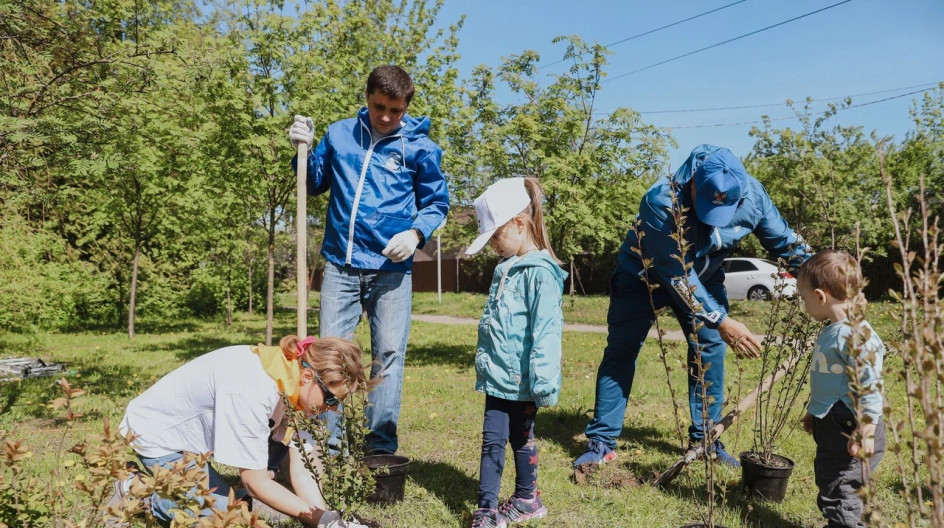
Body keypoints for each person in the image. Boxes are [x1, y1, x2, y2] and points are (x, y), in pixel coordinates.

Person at [574, 144, 812, 469]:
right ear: (695, 183)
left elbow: (785, 242)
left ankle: (706, 440)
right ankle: (601, 442)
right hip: (645, 275)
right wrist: (724, 321)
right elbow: (679, 278)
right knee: (621, 350)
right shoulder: (662, 202)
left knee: (709, 347)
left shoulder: (753, 197)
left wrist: (829, 277)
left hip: (705, 273)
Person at [288, 65, 450, 455]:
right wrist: (302, 152)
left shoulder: (420, 148)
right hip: (341, 268)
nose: (386, 117)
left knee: (388, 357)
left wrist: (415, 234)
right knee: (328, 356)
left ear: (406, 106)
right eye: (379, 107)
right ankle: (328, 445)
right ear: (367, 96)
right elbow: (311, 183)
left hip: (391, 272)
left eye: (395, 110)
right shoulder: (341, 135)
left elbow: (437, 202)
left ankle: (380, 445)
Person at [115, 335, 372, 528]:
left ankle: (211, 493)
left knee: (241, 507)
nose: (334, 409)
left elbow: (303, 471)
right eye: (331, 399)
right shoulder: (253, 389)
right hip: (158, 436)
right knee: (227, 519)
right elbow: (255, 482)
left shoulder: (292, 380)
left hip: (192, 443)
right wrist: (323, 521)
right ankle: (136, 490)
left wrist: (326, 518)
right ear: (308, 377)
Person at [464, 178, 567, 528]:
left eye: (495, 236)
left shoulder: (541, 274)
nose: (493, 244)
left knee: (521, 437)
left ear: (519, 224)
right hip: (497, 376)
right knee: (492, 437)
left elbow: (547, 331)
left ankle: (527, 499)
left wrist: (543, 380)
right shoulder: (505, 268)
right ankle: (486, 507)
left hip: (524, 380)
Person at [798, 250, 885, 528]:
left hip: (852, 427)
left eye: (804, 298)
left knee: (840, 488)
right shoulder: (836, 330)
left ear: (820, 297)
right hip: (835, 421)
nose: (804, 303)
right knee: (833, 482)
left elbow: (869, 387)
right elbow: (833, 380)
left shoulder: (855, 335)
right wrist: (817, 412)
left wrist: (865, 430)